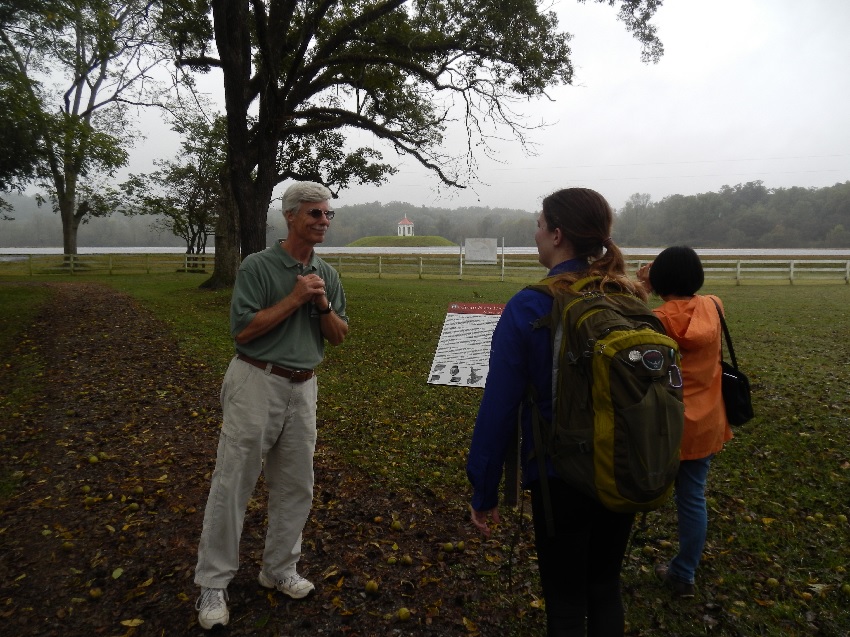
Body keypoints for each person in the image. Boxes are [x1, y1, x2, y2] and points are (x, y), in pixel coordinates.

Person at [467, 188, 644, 637]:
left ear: (557, 234)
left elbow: (499, 406)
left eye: (540, 224)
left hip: (559, 476)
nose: (536, 232)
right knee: (604, 585)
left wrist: (484, 490)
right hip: (623, 464)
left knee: (566, 602)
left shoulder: (529, 304)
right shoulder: (628, 297)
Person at [194, 181, 349, 630]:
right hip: (256, 381)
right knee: (233, 483)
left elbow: (338, 336)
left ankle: (279, 568)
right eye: (315, 214)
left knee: (297, 484)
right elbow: (243, 330)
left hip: (304, 388)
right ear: (291, 217)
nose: (323, 221)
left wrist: (320, 303)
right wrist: (295, 297)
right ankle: (212, 583)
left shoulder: (329, 274)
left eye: (327, 214)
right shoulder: (258, 267)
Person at [636, 246, 733, 598]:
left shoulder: (657, 319)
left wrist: (644, 285)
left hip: (664, 424)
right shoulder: (714, 306)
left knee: (634, 487)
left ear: (660, 280)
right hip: (706, 421)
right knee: (692, 497)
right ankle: (684, 573)